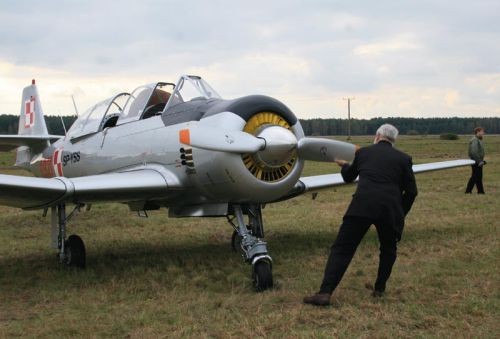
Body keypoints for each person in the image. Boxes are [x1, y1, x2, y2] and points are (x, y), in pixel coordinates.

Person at [303, 124, 418, 306]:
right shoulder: (404, 159)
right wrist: (400, 213)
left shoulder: (363, 153)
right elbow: (411, 192)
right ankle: (379, 289)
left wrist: (344, 166)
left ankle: (325, 292)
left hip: (362, 206)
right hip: (389, 210)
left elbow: (349, 177)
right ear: (393, 140)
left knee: (342, 248)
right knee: (388, 250)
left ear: (377, 135)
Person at [465, 127, 486, 194]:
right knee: (475, 176)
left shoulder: (478, 140)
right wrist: (479, 161)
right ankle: (468, 191)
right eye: (482, 131)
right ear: (478, 132)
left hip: (478, 160)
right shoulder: (475, 140)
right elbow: (474, 152)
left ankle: (480, 191)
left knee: (478, 176)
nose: (483, 133)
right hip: (475, 161)